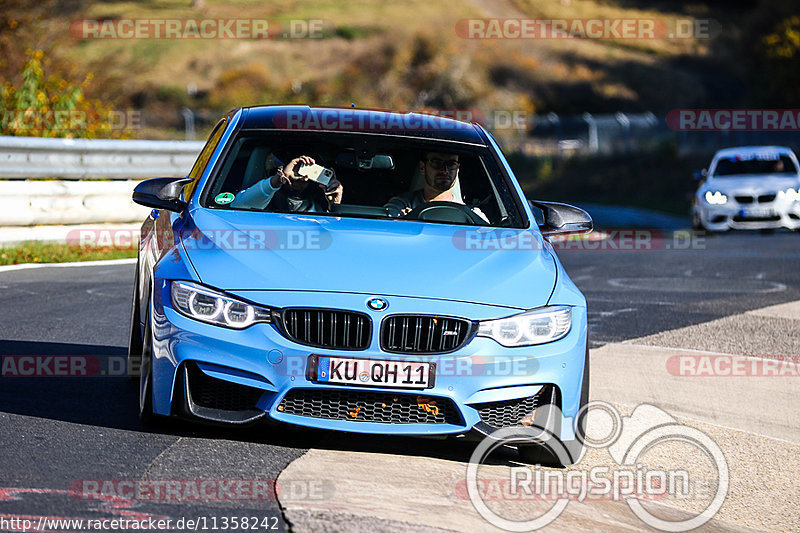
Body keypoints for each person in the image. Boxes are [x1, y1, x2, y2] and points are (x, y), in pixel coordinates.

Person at [384, 151, 488, 222]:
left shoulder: (472, 215)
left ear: (458, 169)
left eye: (451, 164)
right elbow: (386, 229)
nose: (444, 171)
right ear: (422, 167)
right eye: (436, 163)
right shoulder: (401, 205)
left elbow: (489, 238)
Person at [230, 155, 343, 212]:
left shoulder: (320, 212)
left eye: (309, 171)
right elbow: (238, 205)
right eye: (296, 169)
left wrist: (334, 206)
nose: (300, 179)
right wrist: (278, 180)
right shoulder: (261, 205)